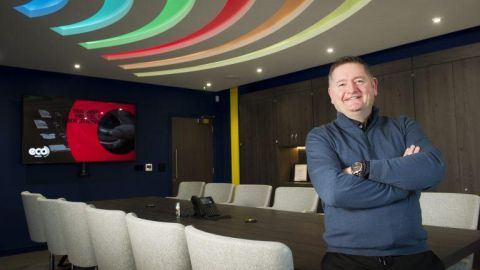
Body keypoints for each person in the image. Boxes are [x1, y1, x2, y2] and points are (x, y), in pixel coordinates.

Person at [306, 56, 446, 270]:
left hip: (413, 254)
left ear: (374, 86)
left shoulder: (404, 126)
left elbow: (433, 170)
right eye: (342, 84)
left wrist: (364, 168)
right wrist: (407, 183)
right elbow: (335, 191)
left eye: (359, 81)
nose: (352, 89)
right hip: (346, 258)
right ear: (331, 95)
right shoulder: (320, 137)